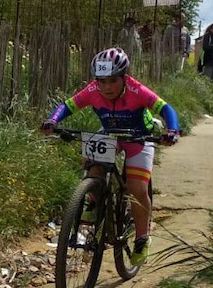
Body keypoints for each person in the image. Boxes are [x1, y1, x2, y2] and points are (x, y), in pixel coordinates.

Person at [39, 48, 181, 266]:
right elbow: (68, 106)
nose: (106, 88)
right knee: (91, 164)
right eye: (102, 81)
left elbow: (166, 108)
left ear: (124, 78)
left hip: (138, 139)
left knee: (137, 190)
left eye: (113, 81)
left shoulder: (137, 90)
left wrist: (172, 130)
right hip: (110, 136)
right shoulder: (92, 90)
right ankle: (94, 199)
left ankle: (142, 238)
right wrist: (52, 120)